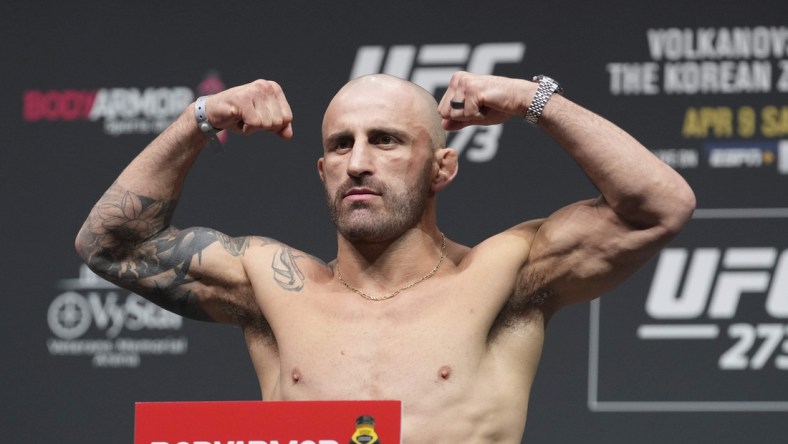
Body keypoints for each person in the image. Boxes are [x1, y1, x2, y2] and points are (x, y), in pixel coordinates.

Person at [75, 71, 695, 443]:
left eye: (387, 141)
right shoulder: (272, 284)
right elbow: (108, 244)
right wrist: (200, 118)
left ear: (442, 167)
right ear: (323, 171)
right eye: (341, 146)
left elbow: (658, 206)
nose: (359, 162)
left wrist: (536, 100)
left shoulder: (505, 273)